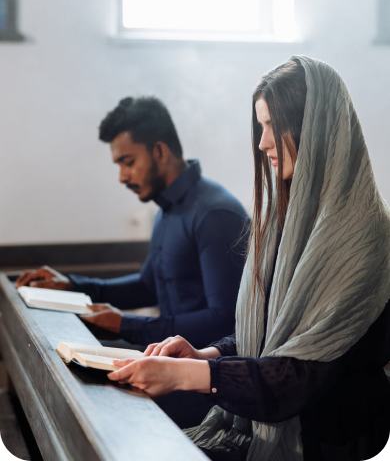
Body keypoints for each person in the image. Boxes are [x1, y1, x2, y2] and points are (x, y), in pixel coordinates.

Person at [106, 57, 390, 461]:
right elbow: (273, 331)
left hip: (334, 442)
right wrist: (209, 354)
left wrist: (189, 375)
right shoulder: (284, 220)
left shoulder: (363, 235)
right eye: (260, 127)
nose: (262, 143)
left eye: (274, 126)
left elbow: (299, 375)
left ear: (318, 128)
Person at [15, 96, 249, 428]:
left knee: (90, 401)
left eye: (127, 161)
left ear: (159, 151)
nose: (122, 176)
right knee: (62, 364)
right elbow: (146, 285)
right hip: (162, 358)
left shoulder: (214, 213)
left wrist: (127, 325)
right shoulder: (167, 209)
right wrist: (72, 284)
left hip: (200, 381)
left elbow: (226, 321)